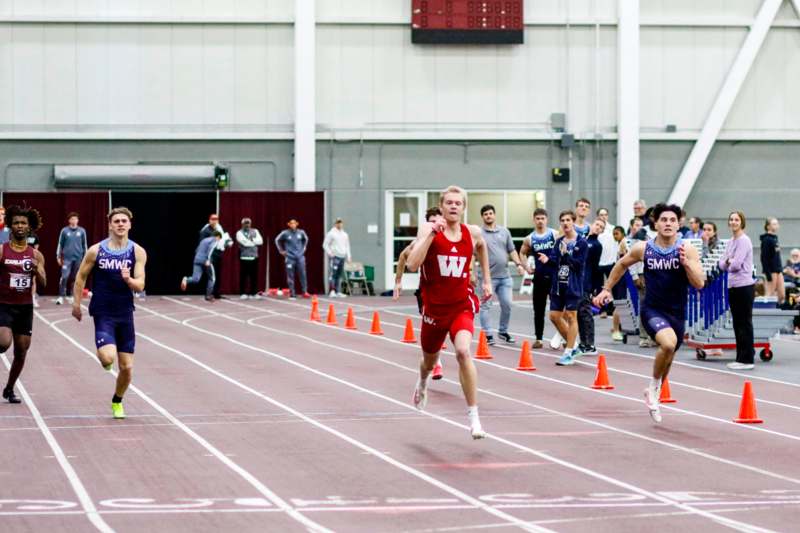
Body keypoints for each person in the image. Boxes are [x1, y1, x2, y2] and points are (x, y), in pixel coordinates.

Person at [595, 204, 705, 423]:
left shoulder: (687, 249)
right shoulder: (644, 248)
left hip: (677, 312)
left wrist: (686, 264)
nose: (667, 224)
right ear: (655, 224)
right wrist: (607, 289)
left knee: (669, 356)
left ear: (678, 224)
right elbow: (621, 264)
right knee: (668, 344)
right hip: (652, 309)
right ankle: (654, 387)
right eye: (663, 220)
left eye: (672, 220)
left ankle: (654, 388)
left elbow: (699, 283)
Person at [405, 185, 492, 440]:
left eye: (458, 203)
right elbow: (412, 264)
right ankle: (422, 382)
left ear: (464, 208)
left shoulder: (472, 232)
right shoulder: (427, 230)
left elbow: (482, 247)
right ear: (442, 206)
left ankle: (474, 418)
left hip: (460, 305)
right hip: (434, 309)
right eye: (449, 203)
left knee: (464, 351)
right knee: (429, 362)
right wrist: (432, 233)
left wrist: (486, 279)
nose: (454, 206)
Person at [72, 207, 147, 420]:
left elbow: (140, 285)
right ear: (110, 225)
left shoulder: (137, 252)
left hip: (125, 313)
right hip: (103, 311)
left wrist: (128, 280)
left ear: (130, 225)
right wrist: (76, 305)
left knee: (127, 367)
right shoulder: (96, 251)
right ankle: (105, 357)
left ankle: (117, 400)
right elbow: (80, 277)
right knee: (107, 357)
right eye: (117, 221)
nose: (121, 224)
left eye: (124, 221)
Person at [0, 205, 46, 404]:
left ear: (30, 228)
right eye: (16, 223)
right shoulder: (2, 250)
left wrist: (37, 270)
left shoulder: (36, 255)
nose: (19, 226)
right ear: (10, 226)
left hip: (25, 307)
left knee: (21, 350)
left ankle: (9, 389)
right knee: (3, 343)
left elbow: (44, 283)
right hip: (3, 304)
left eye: (23, 223)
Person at [394, 207, 444, 380]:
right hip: (426, 291)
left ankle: (435, 359)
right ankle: (436, 364)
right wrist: (398, 282)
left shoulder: (448, 239)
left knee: (444, 328)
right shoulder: (419, 242)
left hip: (446, 291)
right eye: (432, 221)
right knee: (431, 326)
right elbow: (402, 256)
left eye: (438, 220)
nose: (435, 224)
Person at [539, 210, 587, 366]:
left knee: (572, 316)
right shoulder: (559, 242)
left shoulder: (581, 242)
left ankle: (568, 352)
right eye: (562, 220)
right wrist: (548, 259)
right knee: (554, 316)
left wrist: (566, 255)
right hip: (558, 284)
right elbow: (555, 260)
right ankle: (574, 346)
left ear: (573, 222)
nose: (565, 223)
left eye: (568, 220)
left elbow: (578, 265)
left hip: (573, 285)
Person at [477, 204, 526, 345]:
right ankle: (488, 335)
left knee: (507, 304)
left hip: (505, 277)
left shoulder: (504, 231)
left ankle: (503, 331)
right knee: (486, 306)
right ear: (482, 217)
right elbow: (472, 255)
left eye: (490, 213)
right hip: (487, 278)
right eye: (485, 214)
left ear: (494, 215)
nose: (488, 216)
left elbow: (512, 250)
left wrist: (518, 264)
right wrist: (471, 273)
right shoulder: (479, 234)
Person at [719, 211, 756, 370]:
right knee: (737, 323)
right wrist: (728, 261)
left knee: (744, 323)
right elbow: (721, 264)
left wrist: (728, 261)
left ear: (742, 222)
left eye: (737, 219)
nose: (733, 222)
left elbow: (736, 265)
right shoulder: (730, 242)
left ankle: (747, 359)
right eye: (731, 219)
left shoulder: (744, 241)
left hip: (744, 286)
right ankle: (740, 357)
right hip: (732, 285)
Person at [519, 208, 557, 349]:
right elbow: (522, 253)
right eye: (538, 218)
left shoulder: (554, 234)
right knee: (538, 309)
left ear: (546, 219)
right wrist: (526, 267)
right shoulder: (530, 238)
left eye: (542, 218)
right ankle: (539, 338)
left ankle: (563, 336)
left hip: (554, 277)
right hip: (539, 277)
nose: (540, 221)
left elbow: (563, 249)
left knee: (558, 309)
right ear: (534, 220)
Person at [576, 218, 605, 355]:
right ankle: (583, 343)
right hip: (575, 281)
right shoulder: (581, 240)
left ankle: (590, 344)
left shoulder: (596, 245)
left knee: (586, 313)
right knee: (578, 314)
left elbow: (595, 267)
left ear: (602, 231)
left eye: (601, 227)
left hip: (586, 283)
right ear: (591, 225)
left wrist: (595, 287)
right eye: (597, 224)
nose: (598, 227)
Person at [55, 212, 88, 305]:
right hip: (67, 259)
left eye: (75, 219)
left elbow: (84, 245)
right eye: (72, 219)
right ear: (69, 220)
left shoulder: (82, 231)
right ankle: (61, 296)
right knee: (64, 276)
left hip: (78, 258)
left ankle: (73, 296)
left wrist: (86, 258)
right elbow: (60, 244)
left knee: (76, 278)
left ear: (78, 220)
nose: (74, 220)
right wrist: (58, 256)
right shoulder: (64, 231)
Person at [199, 214, 233, 299]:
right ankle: (208, 294)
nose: (214, 221)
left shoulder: (219, 228)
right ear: (209, 220)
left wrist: (228, 242)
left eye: (216, 219)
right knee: (211, 275)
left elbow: (226, 237)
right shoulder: (205, 230)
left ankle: (216, 293)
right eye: (212, 219)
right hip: (209, 255)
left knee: (217, 273)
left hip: (218, 254)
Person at [275, 219, 310, 300]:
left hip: (300, 257)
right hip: (290, 257)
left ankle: (304, 291)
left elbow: (306, 240)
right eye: (291, 223)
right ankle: (292, 293)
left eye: (294, 223)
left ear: (297, 224)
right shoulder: (285, 233)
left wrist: (304, 248)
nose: (293, 224)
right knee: (290, 276)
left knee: (303, 274)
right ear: (289, 224)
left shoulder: (301, 232)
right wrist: (281, 250)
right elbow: (277, 240)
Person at [181, 231, 221, 301]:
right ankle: (208, 295)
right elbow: (210, 249)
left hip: (197, 259)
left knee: (195, 279)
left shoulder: (203, 240)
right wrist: (208, 259)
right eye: (219, 239)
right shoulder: (214, 240)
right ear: (217, 236)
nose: (219, 240)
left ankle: (186, 279)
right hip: (205, 260)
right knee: (212, 278)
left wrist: (198, 258)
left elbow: (197, 250)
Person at [595, 207, 617, 317]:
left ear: (607, 216)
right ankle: (602, 309)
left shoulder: (613, 229)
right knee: (599, 287)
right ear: (598, 216)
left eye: (605, 214)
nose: (603, 216)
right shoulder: (596, 229)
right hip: (599, 263)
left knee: (611, 286)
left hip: (610, 262)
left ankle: (612, 308)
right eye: (601, 214)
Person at [322, 217, 351, 298]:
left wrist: (348, 256)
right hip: (335, 257)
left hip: (342, 256)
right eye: (338, 222)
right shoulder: (331, 233)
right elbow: (325, 244)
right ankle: (332, 291)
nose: (339, 224)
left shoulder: (345, 234)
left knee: (339, 275)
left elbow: (347, 246)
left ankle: (338, 291)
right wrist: (330, 253)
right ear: (335, 224)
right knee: (333, 274)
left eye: (341, 222)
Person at [236, 218, 264, 300]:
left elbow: (261, 241)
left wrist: (252, 241)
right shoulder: (239, 232)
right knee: (243, 276)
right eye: (245, 223)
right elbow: (244, 243)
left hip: (254, 257)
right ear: (242, 224)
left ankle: (253, 293)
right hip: (244, 257)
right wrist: (254, 241)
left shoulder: (255, 231)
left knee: (254, 276)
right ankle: (243, 293)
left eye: (248, 223)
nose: (247, 225)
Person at [610, 226, 629, 342]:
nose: (614, 236)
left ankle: (618, 329)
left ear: (622, 233)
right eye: (613, 234)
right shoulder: (619, 244)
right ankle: (616, 330)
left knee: (621, 304)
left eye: (616, 233)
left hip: (623, 277)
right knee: (620, 304)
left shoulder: (624, 242)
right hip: (620, 277)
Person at [760, 217, 785, 304]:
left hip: (778, 269)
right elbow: (764, 258)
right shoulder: (766, 240)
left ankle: (777, 312)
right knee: (769, 294)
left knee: (782, 295)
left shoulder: (774, 239)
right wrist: (768, 274)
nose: (777, 226)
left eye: (777, 224)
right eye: (774, 224)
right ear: (768, 227)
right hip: (771, 271)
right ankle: (765, 313)